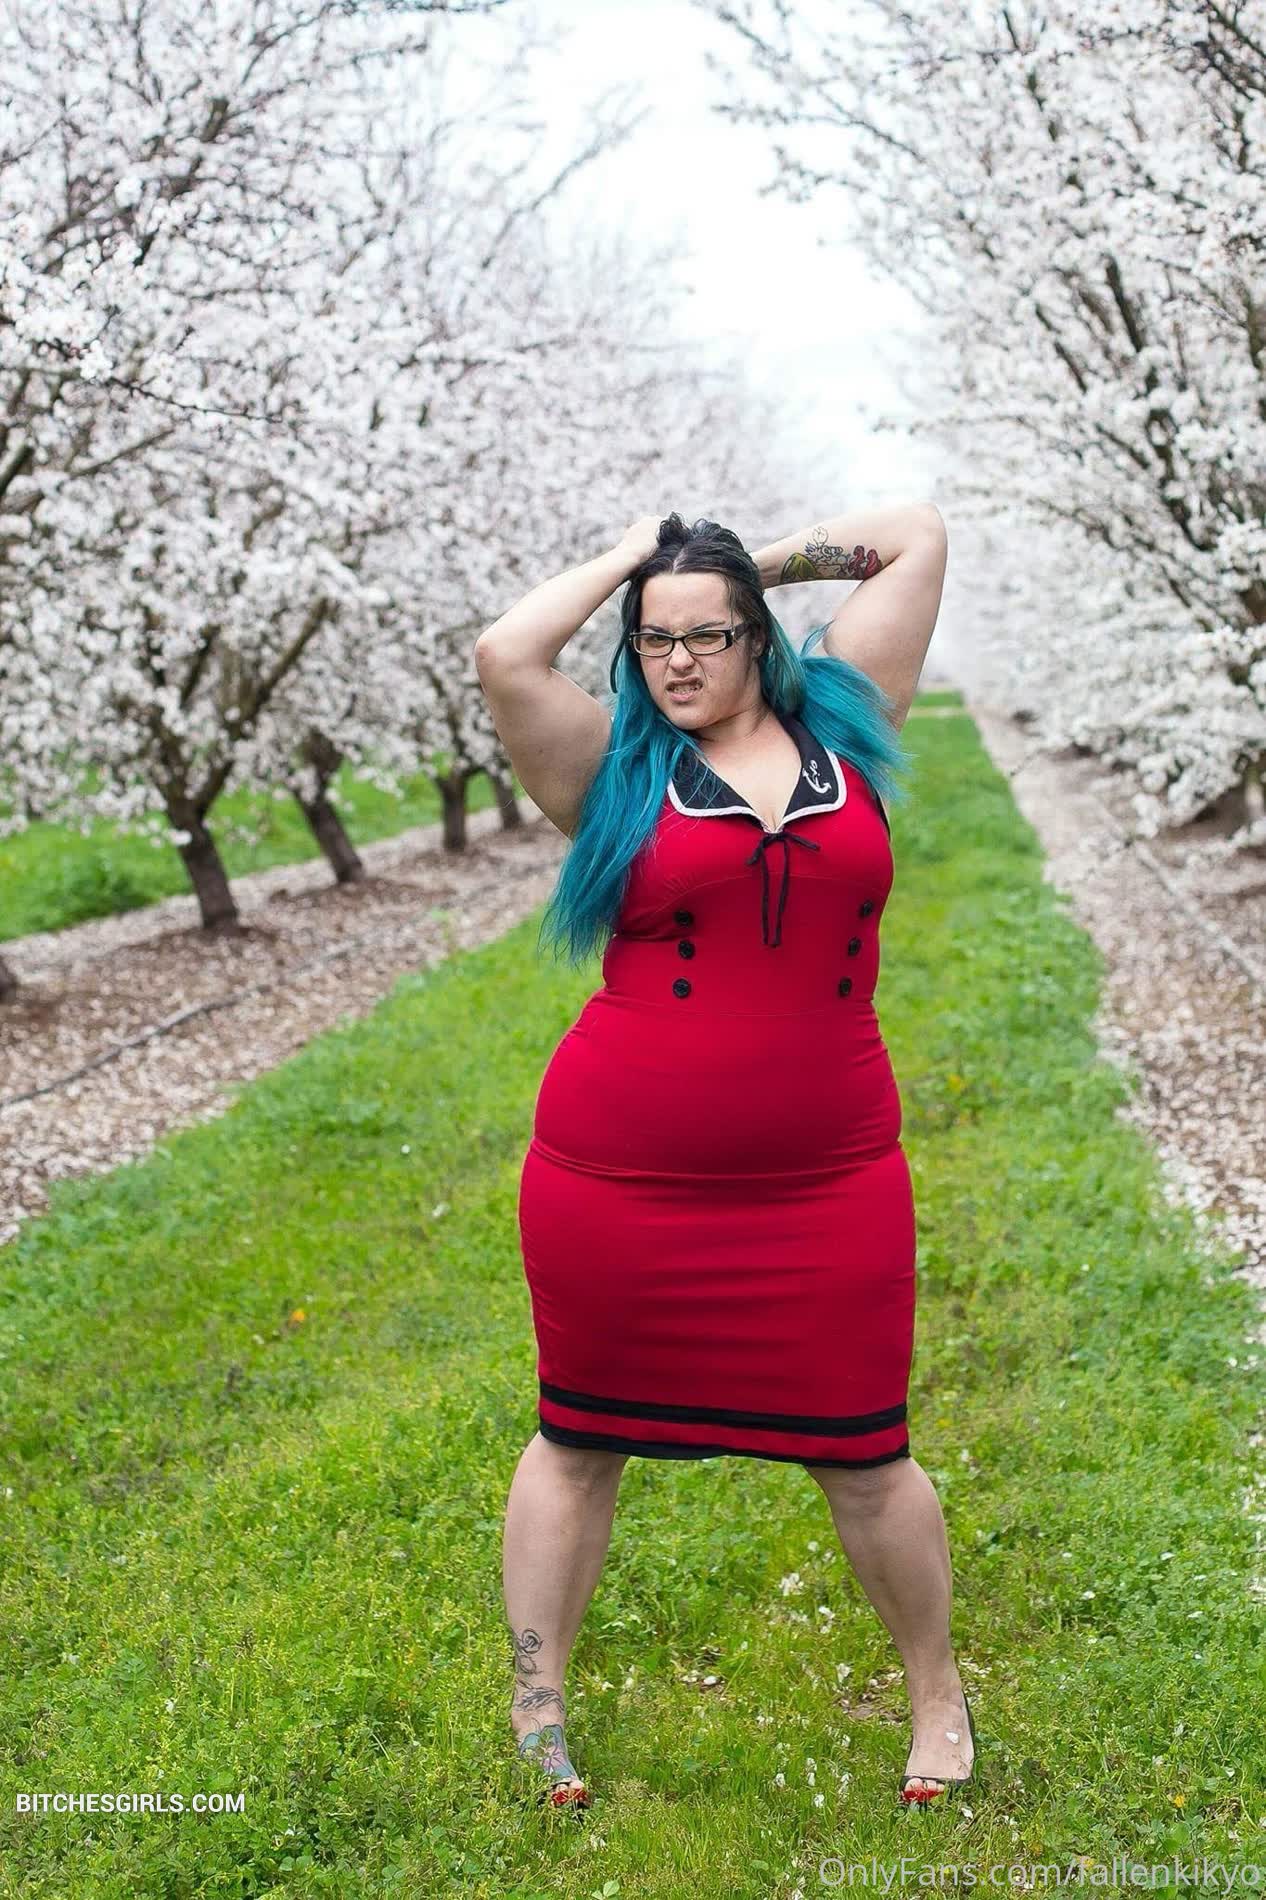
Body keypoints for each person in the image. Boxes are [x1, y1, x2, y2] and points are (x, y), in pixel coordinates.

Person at [473, 506, 971, 1814]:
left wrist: (748, 565)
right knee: (579, 1437)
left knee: (865, 1451)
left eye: (707, 635)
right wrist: (637, 561)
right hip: (616, 1180)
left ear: (758, 636)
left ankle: (937, 1696)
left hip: (831, 1177)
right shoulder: (608, 767)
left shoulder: (848, 721)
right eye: (654, 641)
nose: (679, 662)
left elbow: (913, 538)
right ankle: (536, 1706)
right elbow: (506, 652)